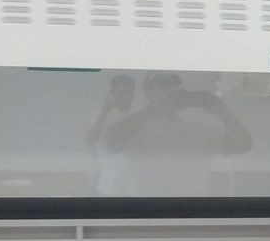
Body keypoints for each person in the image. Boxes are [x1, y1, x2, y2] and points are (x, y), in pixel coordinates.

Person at [101, 72, 253, 196]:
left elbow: (242, 145)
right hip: (145, 213)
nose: (168, 95)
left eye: (174, 91)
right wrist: (152, 109)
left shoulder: (199, 131)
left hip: (193, 214)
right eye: (161, 88)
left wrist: (223, 112)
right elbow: (112, 143)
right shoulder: (135, 128)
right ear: (148, 94)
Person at [86, 73, 137, 196]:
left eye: (127, 93)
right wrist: (104, 111)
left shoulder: (136, 117)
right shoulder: (101, 116)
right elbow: (90, 139)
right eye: (119, 93)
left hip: (133, 186)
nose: (124, 97)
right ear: (112, 94)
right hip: (107, 187)